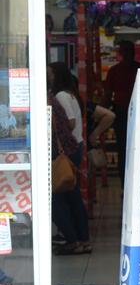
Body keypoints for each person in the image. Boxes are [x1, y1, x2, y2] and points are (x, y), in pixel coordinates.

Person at [104, 40, 140, 183]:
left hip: (122, 113)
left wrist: (101, 112)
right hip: (138, 113)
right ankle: (136, 181)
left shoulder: (114, 71)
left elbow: (107, 95)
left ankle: (126, 182)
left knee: (123, 149)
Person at [49, 95, 90, 255]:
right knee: (74, 199)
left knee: (56, 202)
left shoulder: (47, 102)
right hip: (68, 151)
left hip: (55, 156)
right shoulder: (55, 100)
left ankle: (72, 241)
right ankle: (83, 240)